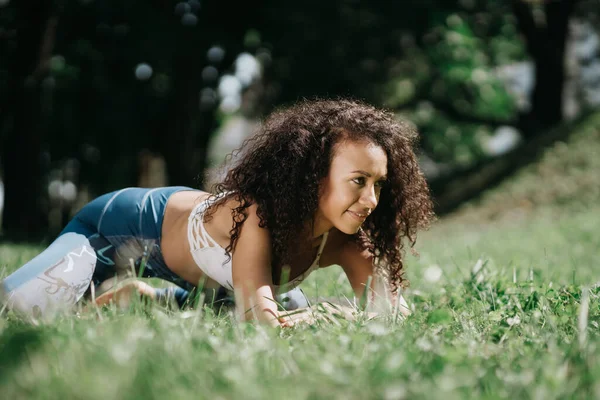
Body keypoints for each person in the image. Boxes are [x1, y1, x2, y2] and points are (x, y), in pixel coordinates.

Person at [0, 98, 434, 327]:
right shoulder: (257, 214)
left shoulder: (349, 236)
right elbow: (261, 322)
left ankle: (151, 298)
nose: (371, 200)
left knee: (291, 300)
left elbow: (392, 314)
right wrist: (332, 313)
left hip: (202, 274)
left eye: (379, 184)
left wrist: (327, 315)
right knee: (16, 309)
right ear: (312, 176)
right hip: (117, 230)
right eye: (358, 181)